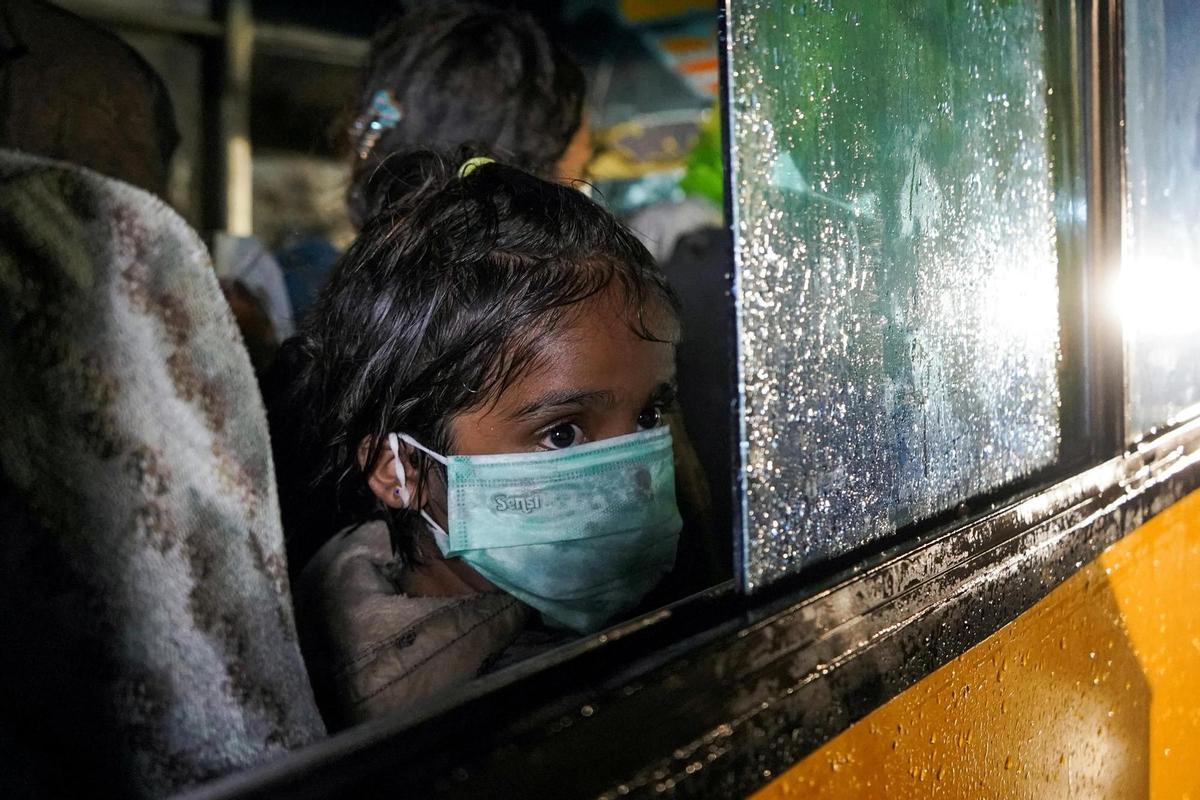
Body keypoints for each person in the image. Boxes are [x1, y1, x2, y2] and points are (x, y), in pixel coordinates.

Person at [284, 152, 687, 728]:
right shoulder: (482, 724)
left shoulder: (349, 576)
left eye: (650, 417)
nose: (636, 479)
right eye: (563, 434)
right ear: (400, 470)